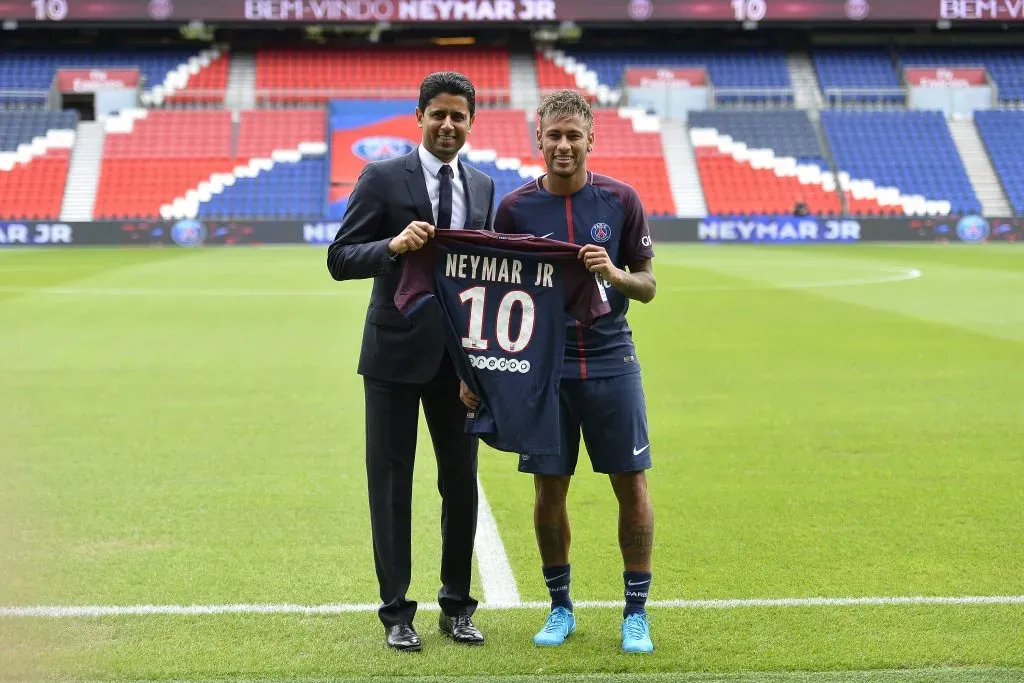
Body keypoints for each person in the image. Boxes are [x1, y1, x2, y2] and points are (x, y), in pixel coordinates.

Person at [461, 89, 657, 653]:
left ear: (591, 139)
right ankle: (560, 607)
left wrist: (615, 274)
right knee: (550, 486)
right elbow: (494, 297)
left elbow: (647, 286)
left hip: (611, 359)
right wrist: (481, 374)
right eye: (554, 135)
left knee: (631, 482)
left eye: (574, 135)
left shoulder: (621, 200)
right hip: (543, 370)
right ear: (537, 140)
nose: (564, 145)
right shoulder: (516, 210)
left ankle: (635, 613)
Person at [327, 71, 496, 652]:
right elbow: (340, 257)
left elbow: (484, 278)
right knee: (392, 485)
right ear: (419, 118)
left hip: (461, 363)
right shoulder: (380, 177)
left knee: (461, 485)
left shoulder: (482, 186)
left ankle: (457, 605)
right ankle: (397, 611)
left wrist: (485, 363)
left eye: (459, 116)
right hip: (394, 356)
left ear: (471, 123)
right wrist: (392, 247)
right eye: (438, 115)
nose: (448, 125)